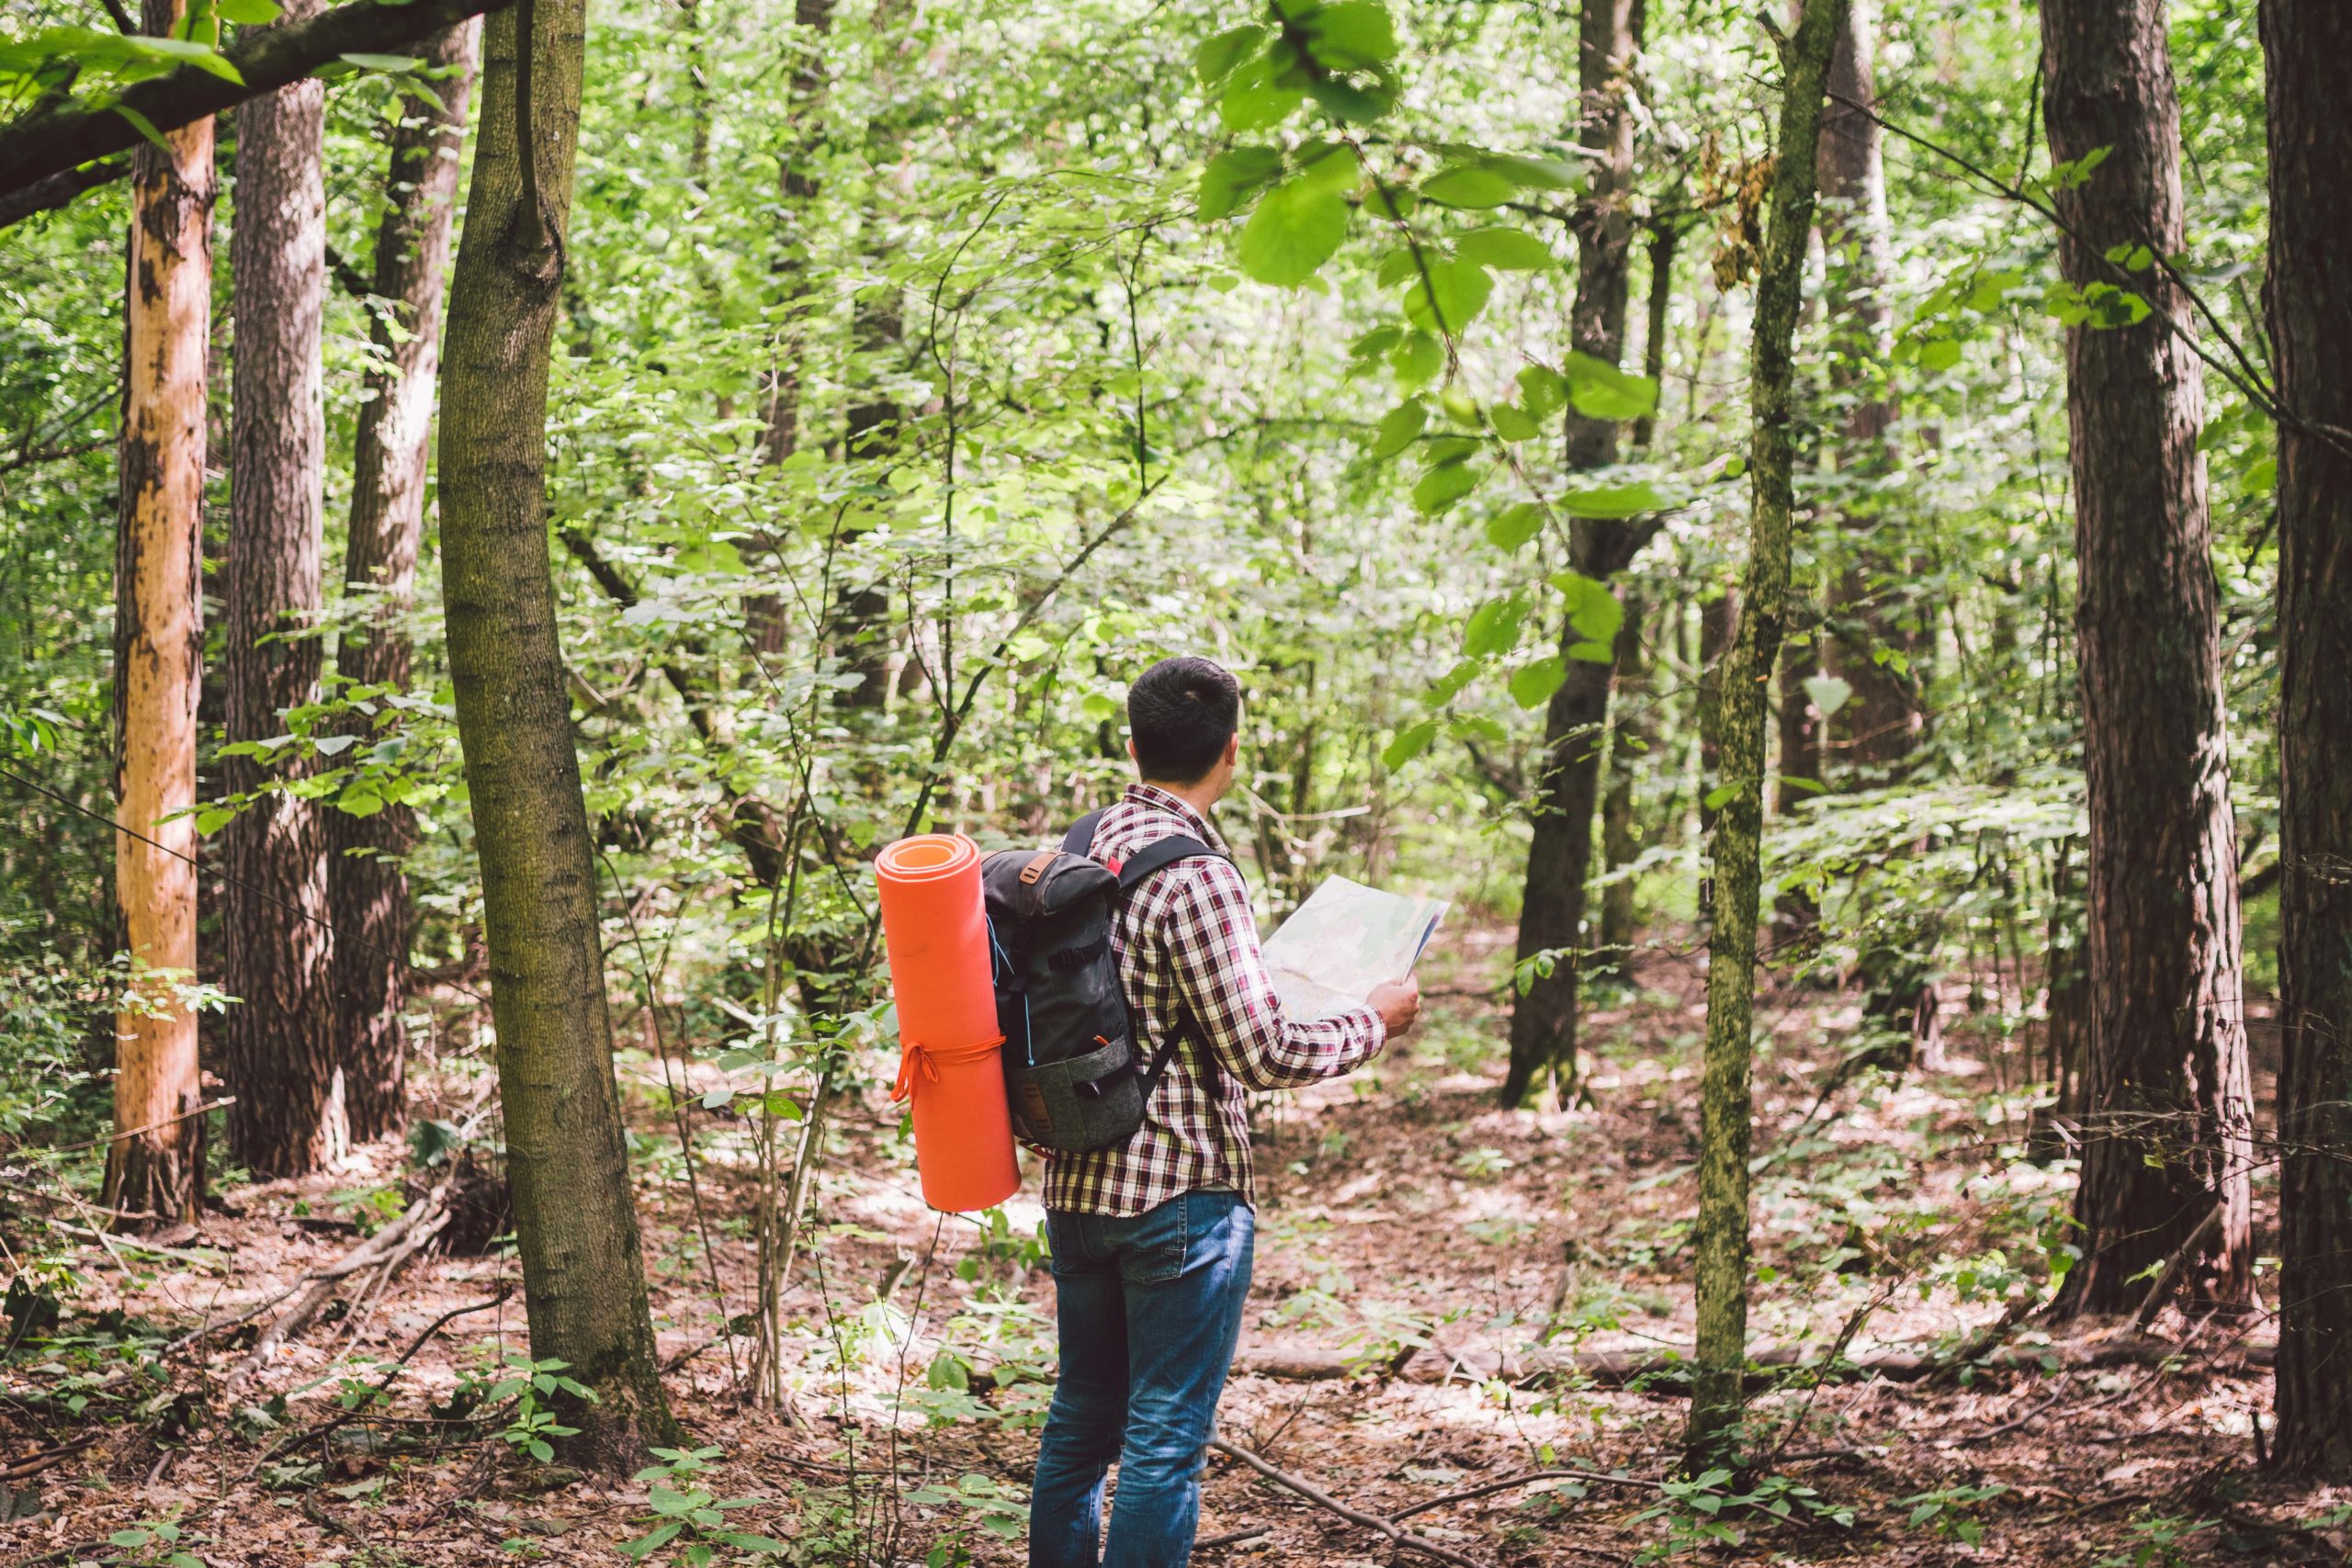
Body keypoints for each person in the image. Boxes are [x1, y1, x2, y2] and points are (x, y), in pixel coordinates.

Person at [1028, 655, 1421, 1568]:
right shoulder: (1198, 877)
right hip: (1179, 1199)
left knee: (1079, 1423)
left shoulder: (1077, 850)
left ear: (1131, 745)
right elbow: (1264, 1051)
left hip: (1077, 1185)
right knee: (1163, 1438)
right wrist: (1376, 1018)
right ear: (1231, 753)